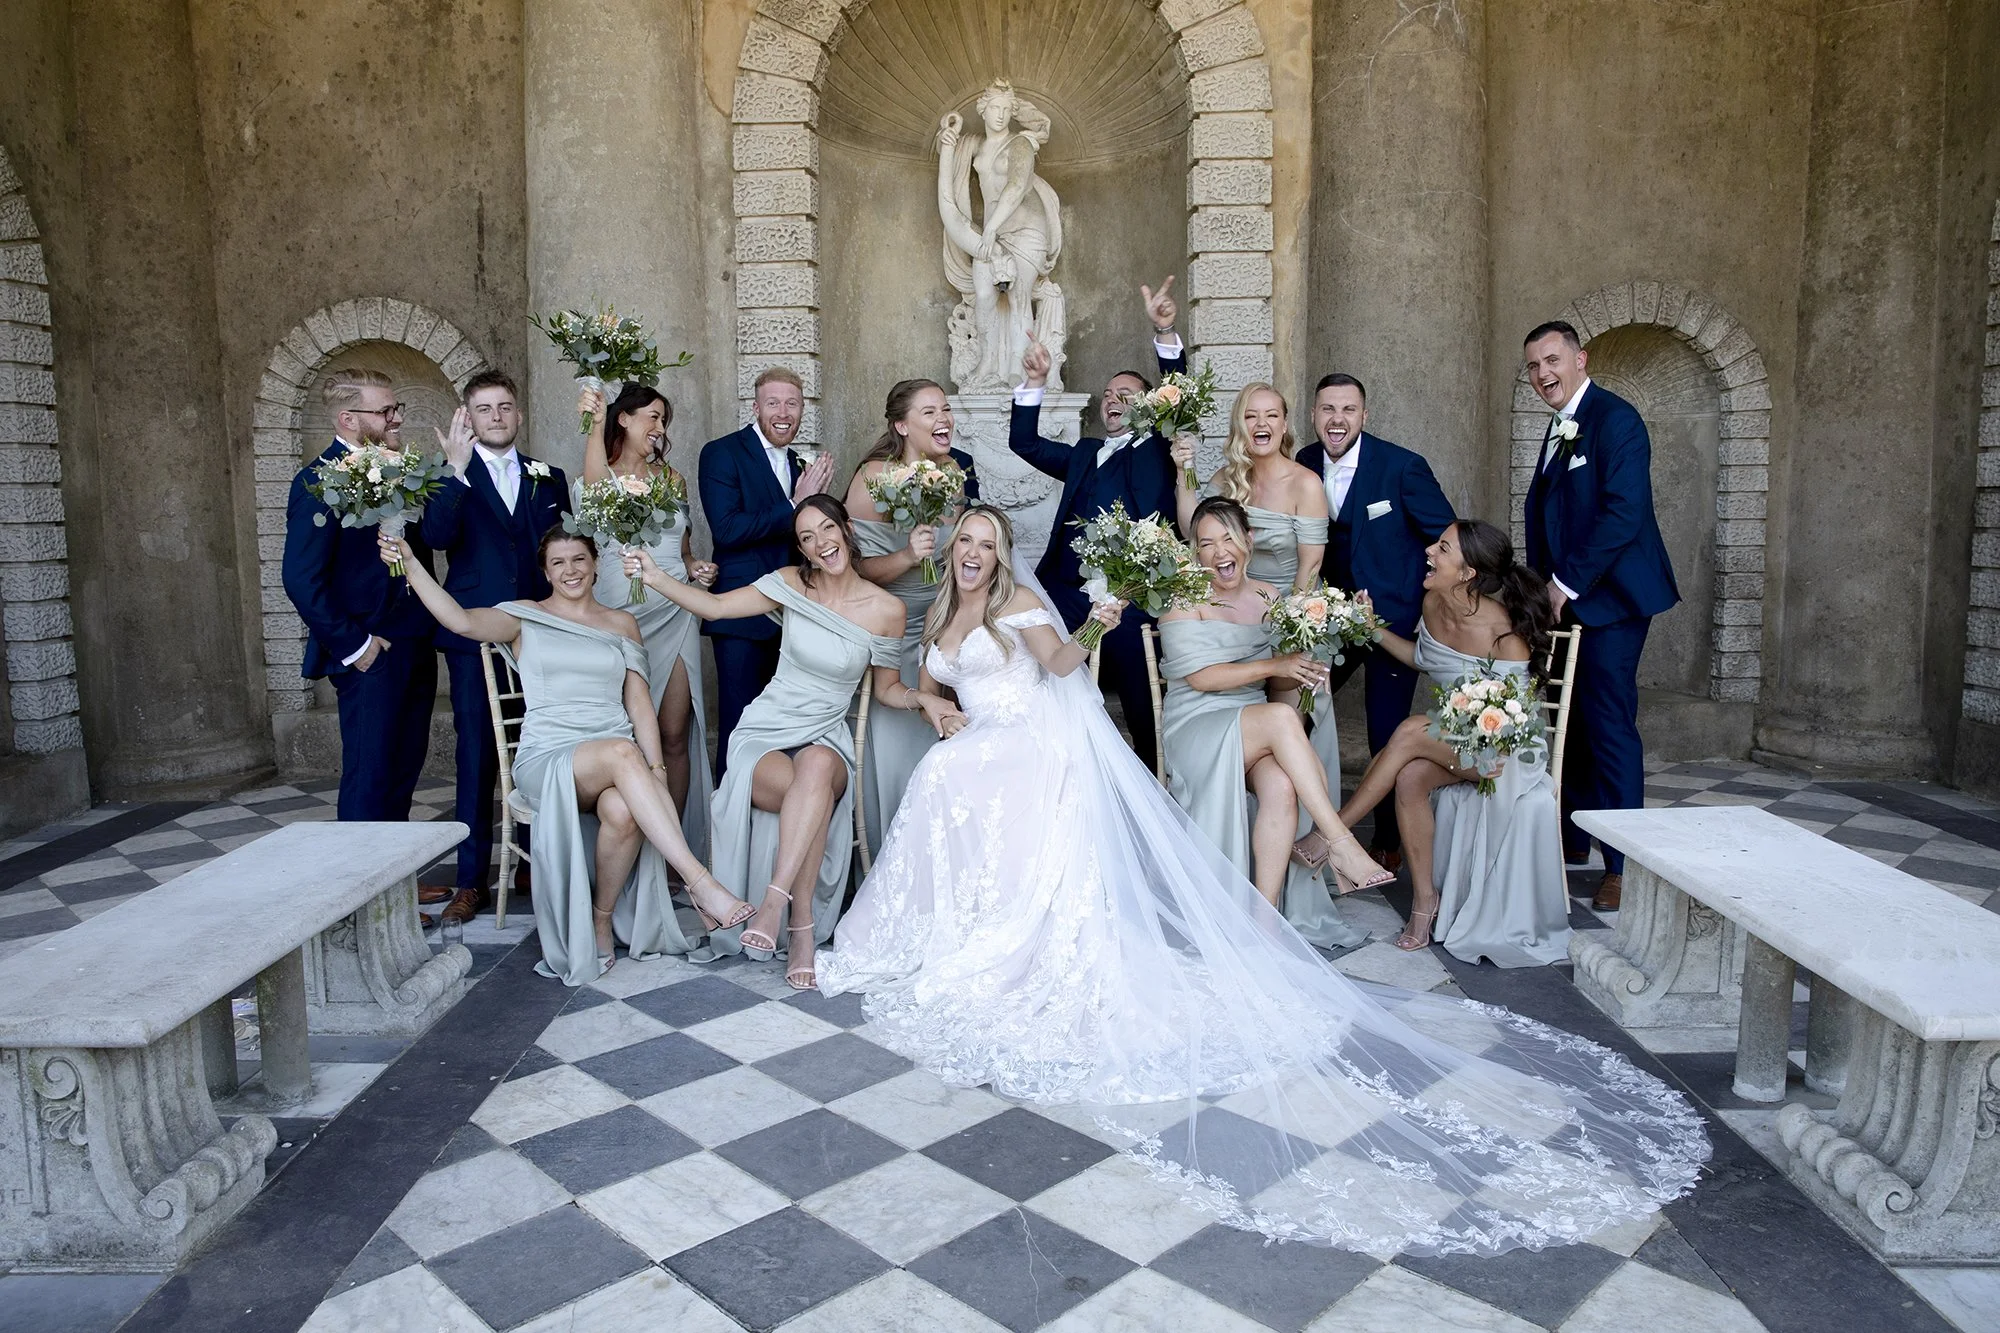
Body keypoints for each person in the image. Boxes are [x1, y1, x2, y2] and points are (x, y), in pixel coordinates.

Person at [816, 507, 1707, 1258]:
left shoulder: (1017, 605)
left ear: (998, 551)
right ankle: (1338, 848)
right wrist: (929, 702)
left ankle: (1315, 864)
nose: (971, 553)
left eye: (982, 541)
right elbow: (901, 685)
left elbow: (1060, 669)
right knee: (952, 777)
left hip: (1046, 741)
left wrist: (1093, 620)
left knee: (1277, 748)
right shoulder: (938, 616)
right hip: (1006, 744)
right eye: (962, 542)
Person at [384, 525, 754, 985]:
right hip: (550, 755)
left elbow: (639, 704)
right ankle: (702, 884)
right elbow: (459, 620)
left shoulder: (622, 623)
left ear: (596, 563)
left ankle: (600, 922)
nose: (570, 570)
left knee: (623, 807)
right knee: (623, 753)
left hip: (617, 760)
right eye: (558, 563)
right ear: (545, 571)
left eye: (578, 559)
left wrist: (656, 771)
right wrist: (412, 565)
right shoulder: (525, 615)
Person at [626, 496, 955, 990]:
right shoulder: (790, 585)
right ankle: (800, 930)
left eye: (827, 529)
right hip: (767, 732)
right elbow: (715, 607)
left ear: (846, 529)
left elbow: (886, 688)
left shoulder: (886, 609)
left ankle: (772, 903)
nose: (822, 543)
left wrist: (924, 701)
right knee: (813, 792)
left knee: (819, 767)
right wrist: (655, 577)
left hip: (826, 734)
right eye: (807, 537)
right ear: (801, 549)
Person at [1332, 520, 1568, 963]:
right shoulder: (1433, 602)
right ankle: (1425, 905)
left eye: (1442, 548)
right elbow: (1420, 657)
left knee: (1408, 731)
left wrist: (1468, 735)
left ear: (1467, 574)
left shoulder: (1505, 635)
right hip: (1452, 740)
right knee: (1409, 778)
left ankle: (1335, 832)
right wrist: (1370, 626)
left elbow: (1513, 722)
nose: (1429, 551)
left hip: (1504, 751)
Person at [1158, 498, 1379, 945]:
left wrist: (1306, 671)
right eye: (1207, 543)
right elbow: (1201, 677)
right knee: (1277, 718)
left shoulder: (1270, 597)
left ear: (1249, 541)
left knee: (1280, 784)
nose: (1221, 551)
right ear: (1195, 553)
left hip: (1255, 723)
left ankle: (1264, 921)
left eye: (1230, 538)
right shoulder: (1182, 599)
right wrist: (1274, 668)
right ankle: (1337, 841)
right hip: (1196, 725)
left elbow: (1282, 695)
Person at [1521, 321, 1680, 910]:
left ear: (1580, 359)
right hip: (1565, 599)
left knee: (1609, 726)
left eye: (1553, 360)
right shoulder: (1557, 428)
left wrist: (1563, 584)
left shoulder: (1618, 420)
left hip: (1612, 602)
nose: (1544, 374)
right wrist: (1539, 591)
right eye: (1535, 366)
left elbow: (1623, 514)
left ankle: (1624, 864)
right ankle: (1573, 837)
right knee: (1576, 723)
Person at [1009, 278, 1187, 769]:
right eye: (1109, 393)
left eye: (1127, 394)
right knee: (1039, 673)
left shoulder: (1159, 447)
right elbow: (1025, 445)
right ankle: (1049, 768)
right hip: (1063, 590)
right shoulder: (1086, 452)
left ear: (1149, 407)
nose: (1113, 399)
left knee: (1139, 699)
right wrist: (1036, 384)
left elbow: (1178, 400)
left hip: (1129, 598)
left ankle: (1153, 779)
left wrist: (1165, 332)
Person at [420, 371, 570, 928]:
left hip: (540, 634)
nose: (497, 417)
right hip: (473, 635)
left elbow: (563, 550)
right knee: (477, 756)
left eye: (505, 407)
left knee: (540, 741)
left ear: (519, 414)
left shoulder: (548, 477)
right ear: (468, 417)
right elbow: (435, 538)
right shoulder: (447, 476)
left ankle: (530, 865)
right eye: (485, 409)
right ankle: (469, 880)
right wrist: (456, 472)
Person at [1295, 373, 1455, 870]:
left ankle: (1388, 840)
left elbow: (1445, 538)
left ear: (1364, 416)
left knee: (1385, 733)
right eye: (1327, 409)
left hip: (1394, 625)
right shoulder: (1303, 462)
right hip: (1334, 624)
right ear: (1314, 415)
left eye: (1347, 410)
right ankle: (1298, 819)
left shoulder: (1403, 467)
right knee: (1299, 704)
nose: (1336, 419)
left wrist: (1424, 604)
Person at [281, 369, 436, 823]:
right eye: (385, 411)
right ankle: (366, 890)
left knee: (406, 765)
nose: (395, 420)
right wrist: (358, 647)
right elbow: (301, 579)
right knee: (370, 773)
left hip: (415, 639)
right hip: (370, 650)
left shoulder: (401, 470)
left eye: (396, 409)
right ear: (349, 418)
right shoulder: (315, 482)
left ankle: (399, 882)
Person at [577, 382, 716, 862]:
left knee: (674, 731)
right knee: (630, 737)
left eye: (663, 421)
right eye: (653, 418)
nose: (660, 429)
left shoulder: (672, 479)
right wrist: (593, 417)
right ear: (624, 420)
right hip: (623, 617)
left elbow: (680, 551)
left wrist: (697, 568)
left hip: (676, 612)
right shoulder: (602, 476)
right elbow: (594, 497)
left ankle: (671, 849)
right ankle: (628, 839)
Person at [845, 378, 979, 856]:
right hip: (892, 635)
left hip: (945, 633)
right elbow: (847, 570)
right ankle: (892, 861)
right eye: (929, 412)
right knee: (902, 754)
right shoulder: (873, 477)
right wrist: (906, 557)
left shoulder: (954, 473)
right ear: (902, 425)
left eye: (945, 409)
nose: (943, 418)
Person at [697, 368, 836, 780]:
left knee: (785, 732)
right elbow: (726, 529)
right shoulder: (721, 452)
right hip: (741, 617)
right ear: (755, 407)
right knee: (738, 726)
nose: (783, 412)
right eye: (773, 403)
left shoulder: (799, 464)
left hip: (795, 618)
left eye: (792, 403)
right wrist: (796, 504)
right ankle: (730, 829)